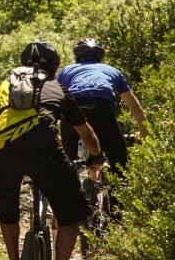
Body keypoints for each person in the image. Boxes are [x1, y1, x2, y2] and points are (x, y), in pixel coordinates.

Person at [0, 41, 102, 260]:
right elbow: (87, 134)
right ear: (55, 67)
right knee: (70, 216)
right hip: (45, 150)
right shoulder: (58, 88)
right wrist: (95, 156)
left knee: (8, 208)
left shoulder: (5, 86)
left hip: (6, 152)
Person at [59, 38, 148, 173]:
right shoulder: (112, 70)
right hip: (101, 107)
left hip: (73, 107)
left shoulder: (67, 70)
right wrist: (145, 133)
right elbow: (133, 106)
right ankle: (117, 187)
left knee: (68, 165)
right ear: (100, 57)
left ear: (77, 57)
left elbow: (55, 100)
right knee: (120, 164)